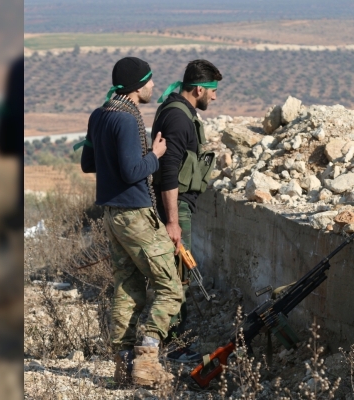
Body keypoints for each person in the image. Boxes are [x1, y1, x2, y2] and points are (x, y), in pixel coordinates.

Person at [80, 57, 182, 386]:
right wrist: (155, 155)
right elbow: (132, 172)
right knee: (171, 287)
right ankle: (147, 362)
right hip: (135, 213)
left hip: (112, 213)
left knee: (127, 288)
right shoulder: (126, 119)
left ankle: (122, 369)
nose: (154, 86)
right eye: (150, 81)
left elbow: (87, 163)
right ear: (138, 86)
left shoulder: (100, 115)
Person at [151, 59, 223, 362]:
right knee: (178, 277)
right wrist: (172, 221)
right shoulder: (179, 119)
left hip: (178, 206)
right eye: (213, 91)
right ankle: (175, 346)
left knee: (176, 274)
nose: (215, 97)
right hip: (176, 207)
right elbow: (168, 171)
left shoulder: (177, 111)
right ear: (198, 89)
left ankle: (166, 340)